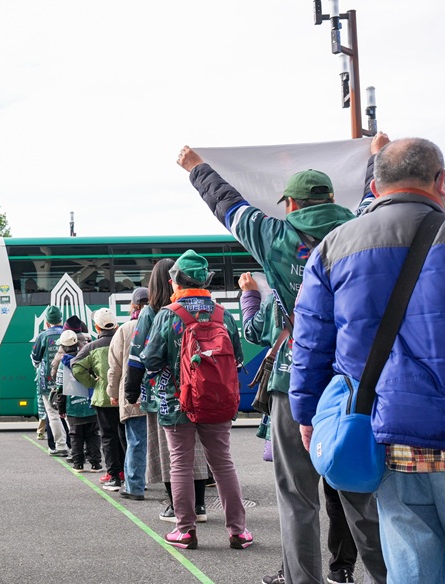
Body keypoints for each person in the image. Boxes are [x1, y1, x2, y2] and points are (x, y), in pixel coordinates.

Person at [177, 138, 388, 583]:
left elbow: (227, 204)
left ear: (290, 203)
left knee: (297, 496)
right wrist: (376, 154)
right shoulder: (360, 226)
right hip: (355, 384)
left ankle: (302, 580)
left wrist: (196, 167)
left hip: (294, 381)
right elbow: (374, 192)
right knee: (360, 493)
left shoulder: (273, 235)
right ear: (331, 198)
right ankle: (385, 576)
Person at [291, 138, 445, 584]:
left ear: (376, 187)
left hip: (389, 441)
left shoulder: (333, 248)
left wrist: (307, 416)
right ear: (440, 181)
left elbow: (309, 347)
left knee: (411, 571)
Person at [240, 273, 358, 584]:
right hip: (343, 389)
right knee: (346, 489)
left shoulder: (279, 292)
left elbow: (253, 331)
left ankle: (296, 573)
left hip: (290, 386)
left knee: (297, 494)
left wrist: (250, 295)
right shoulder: (348, 279)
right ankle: (342, 568)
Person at [140, 251, 251, 550]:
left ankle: (185, 531)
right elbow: (237, 358)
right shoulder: (222, 314)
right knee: (223, 464)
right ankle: (238, 531)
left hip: (176, 404)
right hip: (217, 401)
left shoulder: (168, 313)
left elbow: (150, 358)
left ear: (177, 280)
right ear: (206, 281)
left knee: (180, 464)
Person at [124, 259, 212, 522]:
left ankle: (176, 505)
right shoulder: (203, 309)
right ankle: (200, 506)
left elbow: (139, 355)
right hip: (200, 388)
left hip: (165, 393)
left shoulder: (153, 312)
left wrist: (131, 391)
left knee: (169, 452)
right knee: (196, 450)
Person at [72, 308, 124, 491]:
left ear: (97, 326)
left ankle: (114, 476)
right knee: (125, 436)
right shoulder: (124, 340)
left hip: (104, 398)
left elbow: (76, 366)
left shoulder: (91, 347)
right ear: (116, 324)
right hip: (126, 396)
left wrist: (92, 383)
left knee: (108, 436)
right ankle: (128, 472)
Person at [108, 287, 151, 500]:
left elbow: (115, 367)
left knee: (135, 440)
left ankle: (134, 486)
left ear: (133, 306)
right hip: (159, 393)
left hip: (133, 393)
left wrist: (113, 392)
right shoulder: (160, 321)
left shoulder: (125, 329)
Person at [51, 329, 101, 472]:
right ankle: (95, 463)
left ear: (63, 346)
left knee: (75, 435)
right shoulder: (85, 358)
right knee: (93, 434)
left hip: (72, 407)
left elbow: (60, 389)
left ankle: (78, 463)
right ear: (77, 344)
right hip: (90, 404)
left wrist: (61, 409)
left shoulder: (63, 364)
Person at [31, 305, 69, 456]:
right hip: (66, 381)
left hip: (47, 383)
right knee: (67, 413)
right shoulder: (67, 333)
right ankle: (75, 445)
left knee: (53, 414)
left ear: (46, 322)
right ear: (61, 320)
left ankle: (60, 446)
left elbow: (35, 358)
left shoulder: (43, 336)